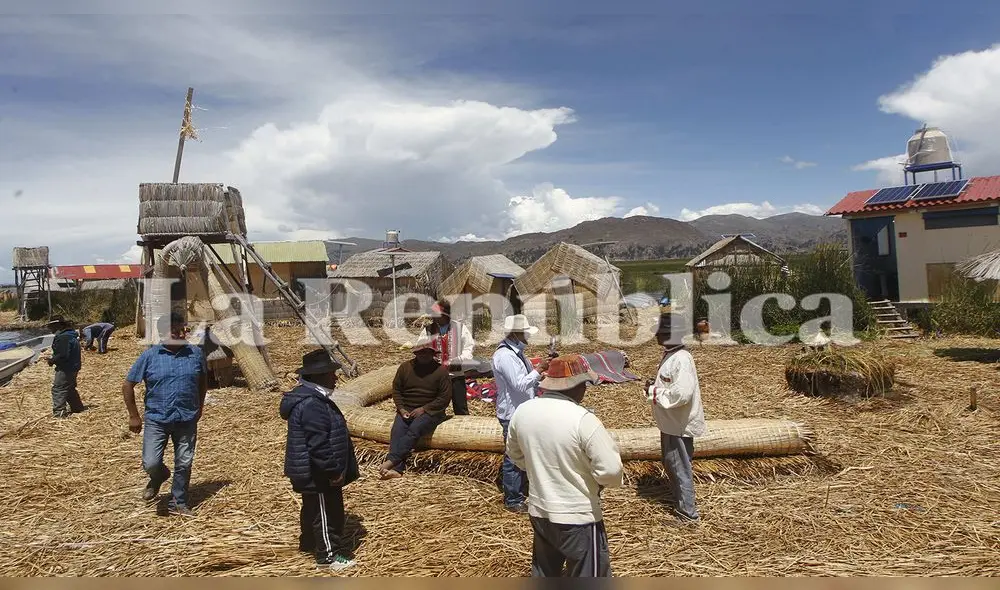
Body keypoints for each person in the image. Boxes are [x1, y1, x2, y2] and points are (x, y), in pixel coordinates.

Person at [506, 354, 623, 577]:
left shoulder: (523, 412)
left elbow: (515, 454)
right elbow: (611, 470)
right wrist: (599, 483)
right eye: (584, 384)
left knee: (545, 572)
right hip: (577, 516)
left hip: (540, 511)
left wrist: (538, 470)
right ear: (576, 386)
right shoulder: (583, 419)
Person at [280, 349, 359, 571]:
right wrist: (332, 471)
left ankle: (309, 544)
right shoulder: (312, 404)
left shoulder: (312, 398)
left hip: (313, 470)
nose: (335, 378)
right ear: (318, 376)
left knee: (313, 509)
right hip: (317, 473)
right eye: (330, 374)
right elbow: (318, 445)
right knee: (326, 513)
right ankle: (328, 557)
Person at [122, 312, 208, 516]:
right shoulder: (150, 356)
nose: (181, 334)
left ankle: (178, 502)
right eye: (175, 331)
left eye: (183, 330)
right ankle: (159, 475)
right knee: (150, 462)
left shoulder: (195, 354)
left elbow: (203, 382)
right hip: (157, 419)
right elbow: (128, 385)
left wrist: (200, 406)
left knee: (184, 462)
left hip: (186, 418)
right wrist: (134, 416)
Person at [644, 313, 706, 523]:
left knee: (679, 467)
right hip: (671, 423)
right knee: (672, 463)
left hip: (678, 425)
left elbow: (682, 394)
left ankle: (688, 514)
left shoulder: (681, 359)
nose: (656, 336)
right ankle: (682, 503)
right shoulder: (671, 355)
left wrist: (654, 391)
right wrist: (656, 386)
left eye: (661, 332)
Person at [492, 314, 550, 513]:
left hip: (523, 410)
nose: (528, 336)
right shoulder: (505, 356)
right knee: (513, 456)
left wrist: (540, 374)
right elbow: (518, 384)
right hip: (512, 413)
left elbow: (526, 380)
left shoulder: (517, 353)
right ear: (516, 334)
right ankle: (513, 499)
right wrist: (538, 369)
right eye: (525, 333)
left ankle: (522, 489)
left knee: (525, 453)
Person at [379, 334, 453, 479]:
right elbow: (397, 390)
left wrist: (424, 409)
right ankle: (397, 470)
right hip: (407, 408)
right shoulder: (405, 368)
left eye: (427, 352)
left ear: (432, 354)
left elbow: (444, 398)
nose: (424, 355)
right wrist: (401, 409)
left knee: (414, 429)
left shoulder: (440, 371)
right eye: (421, 352)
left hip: (431, 411)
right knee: (397, 431)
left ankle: (392, 461)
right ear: (416, 353)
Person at [424, 299, 475, 415]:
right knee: (435, 409)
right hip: (435, 377)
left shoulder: (460, 328)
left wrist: (459, 360)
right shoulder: (428, 330)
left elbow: (469, 348)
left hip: (456, 376)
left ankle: (463, 426)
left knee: (461, 408)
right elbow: (421, 347)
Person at [46, 316, 84, 418]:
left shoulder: (63, 337)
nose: (50, 329)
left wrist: (52, 360)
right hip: (74, 366)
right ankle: (77, 408)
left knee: (59, 389)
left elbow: (63, 355)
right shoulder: (70, 335)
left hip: (66, 368)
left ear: (58, 325)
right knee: (69, 388)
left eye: (51, 326)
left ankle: (59, 413)